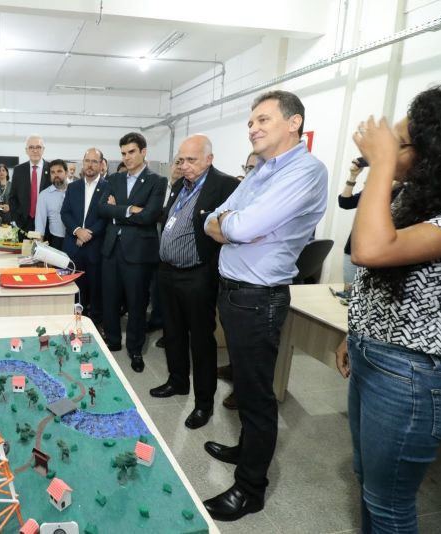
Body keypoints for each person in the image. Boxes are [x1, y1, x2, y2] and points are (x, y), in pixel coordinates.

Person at [335, 84, 441, 534]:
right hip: (378, 354)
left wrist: (380, 164)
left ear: (438, 152)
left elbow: (369, 249)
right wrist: (354, 332)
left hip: (415, 374)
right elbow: (375, 274)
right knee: (368, 481)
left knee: (388, 504)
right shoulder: (414, 196)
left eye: (401, 144)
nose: (388, 149)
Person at [202, 90, 328, 521]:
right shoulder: (261, 170)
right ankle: (245, 451)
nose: (253, 128)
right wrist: (233, 225)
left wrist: (236, 225)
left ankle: (250, 489)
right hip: (234, 292)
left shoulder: (306, 171)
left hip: (260, 298)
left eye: (263, 120)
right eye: (250, 122)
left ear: (293, 123)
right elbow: (215, 217)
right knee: (243, 382)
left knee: (257, 397)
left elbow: (245, 223)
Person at [149, 134, 238, 432]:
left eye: (191, 160)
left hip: (198, 275)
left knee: (200, 340)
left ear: (209, 159)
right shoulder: (180, 185)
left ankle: (204, 403)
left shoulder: (226, 186)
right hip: (168, 272)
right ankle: (177, 382)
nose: (184, 166)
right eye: (181, 160)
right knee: (172, 333)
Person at [98, 132, 166, 373]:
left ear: (143, 151)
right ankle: (113, 341)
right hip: (111, 250)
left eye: (131, 152)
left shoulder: (158, 181)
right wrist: (130, 210)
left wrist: (119, 210)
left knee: (137, 303)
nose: (127, 157)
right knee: (110, 299)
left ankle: (135, 349)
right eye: (123, 153)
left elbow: (149, 216)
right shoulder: (114, 179)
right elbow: (102, 208)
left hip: (138, 253)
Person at [216, 150, 260, 410]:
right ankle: (234, 371)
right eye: (248, 167)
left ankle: (242, 393)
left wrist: (228, 224)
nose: (251, 173)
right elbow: (212, 221)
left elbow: (240, 230)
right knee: (233, 337)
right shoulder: (241, 190)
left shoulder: (268, 197)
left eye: (257, 168)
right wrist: (227, 223)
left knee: (250, 351)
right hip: (229, 279)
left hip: (254, 286)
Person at [337, 159, 405, 285]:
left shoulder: (402, 194)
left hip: (378, 253)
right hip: (354, 247)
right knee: (349, 292)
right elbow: (345, 202)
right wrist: (353, 176)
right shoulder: (374, 189)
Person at [61, 148, 107, 326]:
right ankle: (76, 325)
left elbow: (106, 217)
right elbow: (65, 213)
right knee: (75, 290)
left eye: (94, 161)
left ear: (101, 165)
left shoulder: (108, 187)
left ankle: (95, 327)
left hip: (96, 248)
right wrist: (77, 230)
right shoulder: (73, 187)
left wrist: (88, 234)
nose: (90, 164)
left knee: (96, 291)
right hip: (74, 248)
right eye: (87, 160)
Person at [148, 160, 184, 344]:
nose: (179, 166)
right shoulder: (160, 185)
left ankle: (170, 333)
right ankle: (156, 320)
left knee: (173, 296)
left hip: (175, 249)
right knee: (156, 288)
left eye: (183, 163)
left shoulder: (185, 189)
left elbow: (165, 213)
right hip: (154, 244)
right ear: (171, 166)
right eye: (177, 162)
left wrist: (156, 212)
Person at [9, 134, 50, 232]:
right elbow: (12, 198)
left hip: (46, 224)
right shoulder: (18, 170)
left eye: (38, 147)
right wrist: (16, 220)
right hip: (23, 223)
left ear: (43, 149)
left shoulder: (51, 169)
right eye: (31, 147)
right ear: (26, 150)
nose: (35, 150)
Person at [34, 159, 68, 250]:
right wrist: (39, 247)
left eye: (59, 171)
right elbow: (40, 222)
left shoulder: (75, 191)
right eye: (52, 172)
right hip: (55, 240)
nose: (56, 175)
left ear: (66, 173)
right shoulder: (44, 195)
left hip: (75, 240)